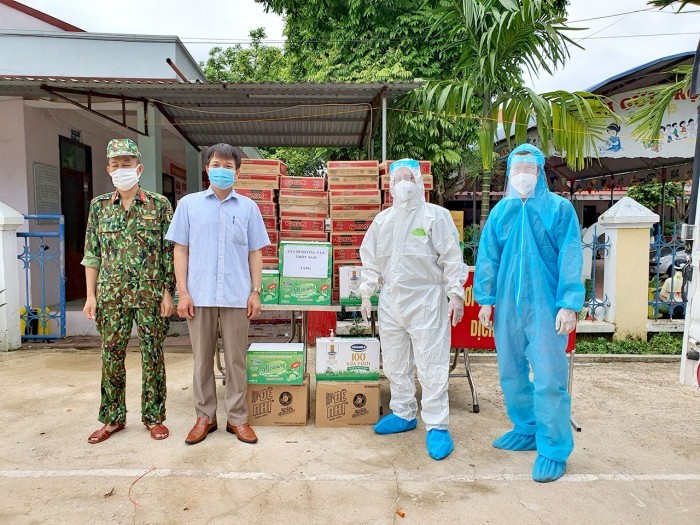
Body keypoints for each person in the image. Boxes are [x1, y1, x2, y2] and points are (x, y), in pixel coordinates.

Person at [474, 143, 584, 482]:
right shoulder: (500, 212)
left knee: (550, 378)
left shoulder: (559, 210)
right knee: (511, 372)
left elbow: (570, 255)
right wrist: (485, 300)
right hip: (508, 307)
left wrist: (569, 303)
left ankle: (553, 447)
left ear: (540, 172)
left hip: (546, 308)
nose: (523, 175)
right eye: (517, 169)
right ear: (509, 174)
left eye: (529, 168)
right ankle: (527, 426)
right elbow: (488, 257)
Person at [359, 159, 467, 461]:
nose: (404, 183)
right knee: (394, 362)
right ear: (390, 185)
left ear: (420, 182)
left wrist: (455, 294)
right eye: (398, 179)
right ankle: (403, 412)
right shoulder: (383, 221)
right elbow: (370, 260)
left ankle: (437, 425)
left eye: (409, 177)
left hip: (427, 301)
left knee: (431, 365)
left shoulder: (436, 216)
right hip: (392, 300)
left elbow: (451, 258)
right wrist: (367, 291)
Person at [166, 143, 269, 445]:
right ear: (207, 168)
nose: (221, 170)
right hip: (199, 296)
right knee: (202, 361)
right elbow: (180, 250)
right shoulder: (189, 205)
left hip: (237, 297)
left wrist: (256, 291)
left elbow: (255, 253)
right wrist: (182, 292)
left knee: (236, 361)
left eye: (227, 166)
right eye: (216, 164)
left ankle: (237, 418)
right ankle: (205, 417)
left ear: (237, 171)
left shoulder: (249, 208)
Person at [82, 138, 175, 444]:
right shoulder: (98, 207)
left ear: (139, 168)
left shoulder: (159, 205)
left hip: (149, 294)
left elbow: (168, 253)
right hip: (111, 296)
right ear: (108, 169)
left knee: (153, 356)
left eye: (127, 164)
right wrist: (91, 295)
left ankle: (153, 418)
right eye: (116, 164)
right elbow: (92, 254)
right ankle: (112, 419)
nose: (122, 169)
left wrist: (167, 292)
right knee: (111, 357)